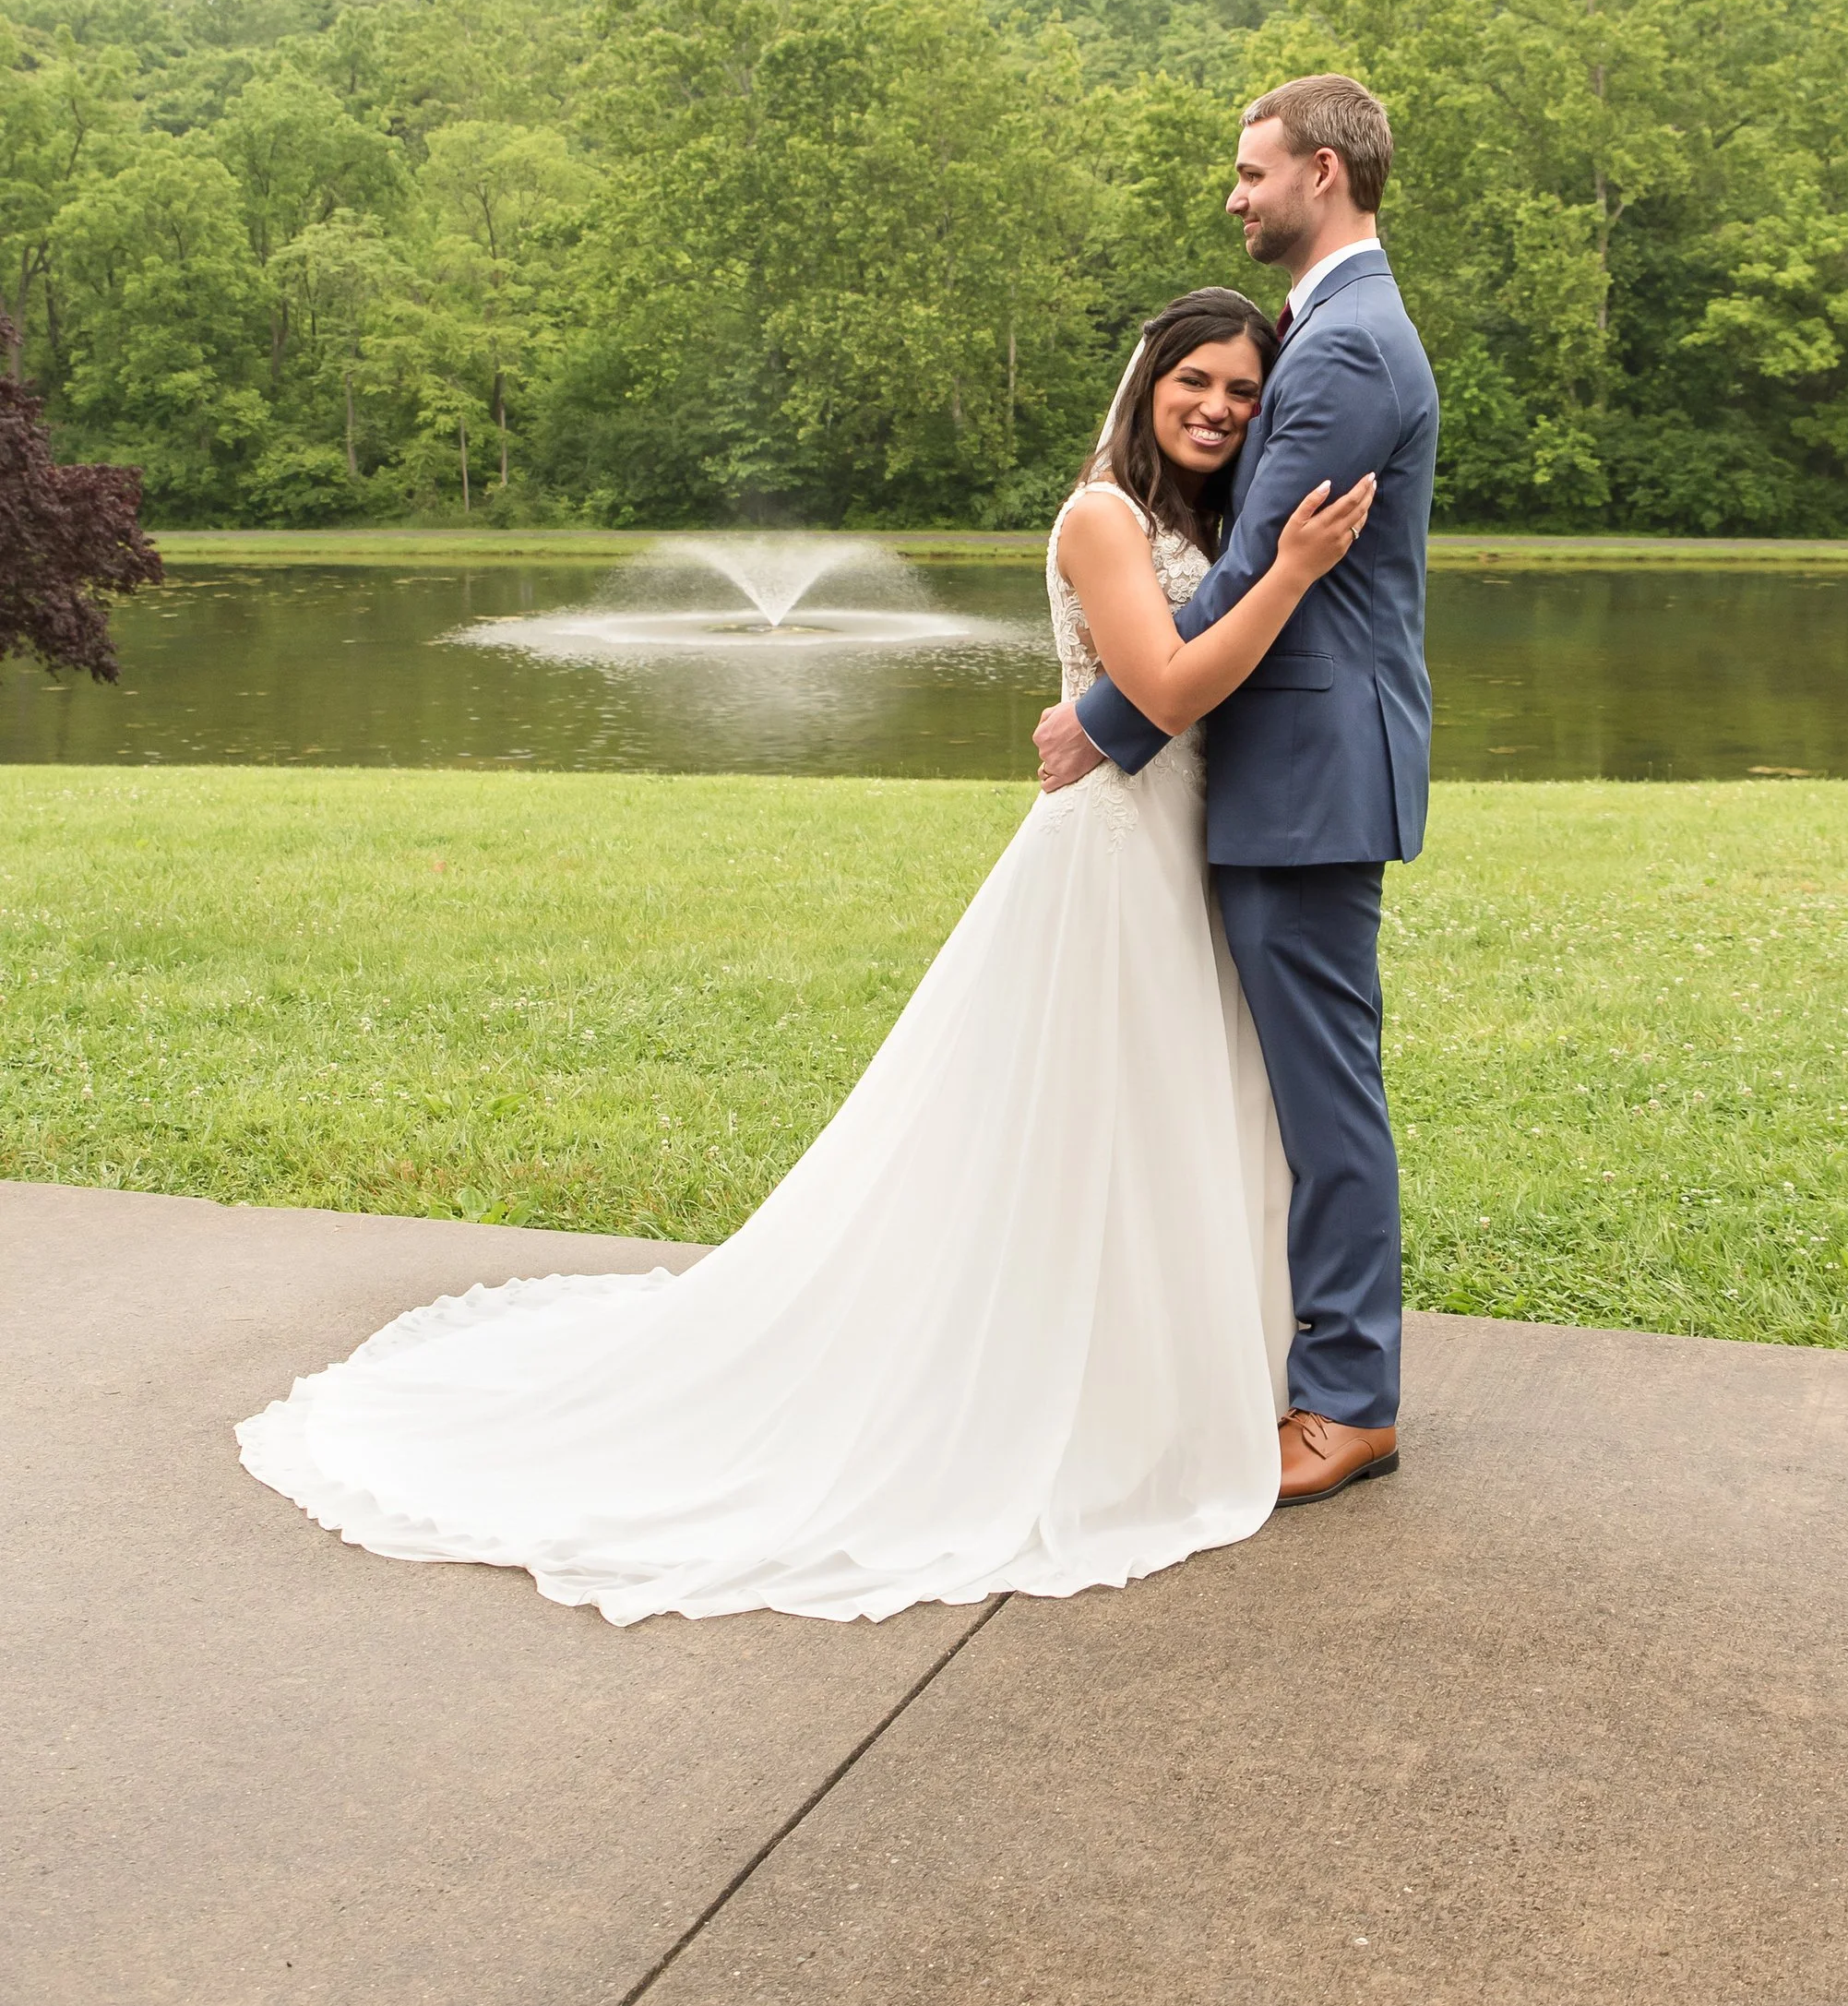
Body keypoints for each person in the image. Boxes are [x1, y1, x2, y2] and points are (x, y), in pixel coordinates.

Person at [237, 293, 1372, 1625]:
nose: (1221, 410)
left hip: (1191, 853)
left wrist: (1258, 579)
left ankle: (1167, 1373)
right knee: (1075, 1130)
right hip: (1112, 863)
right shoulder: (1102, 517)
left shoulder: (1209, 523)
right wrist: (1289, 574)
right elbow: (1169, 690)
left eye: (1244, 392)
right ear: (1148, 384)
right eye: (1198, 382)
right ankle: (1047, 1393)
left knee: (1172, 1118)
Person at [1035, 76, 1438, 1506]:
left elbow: (1263, 567)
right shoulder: (1327, 331)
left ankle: (1347, 1398)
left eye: (1251, 171)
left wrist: (1105, 715)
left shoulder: (1339, 351)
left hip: (1306, 776)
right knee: (1269, 1088)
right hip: (1283, 773)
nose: (1235, 193)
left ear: (1320, 173)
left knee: (1325, 1096)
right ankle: (1263, 1357)